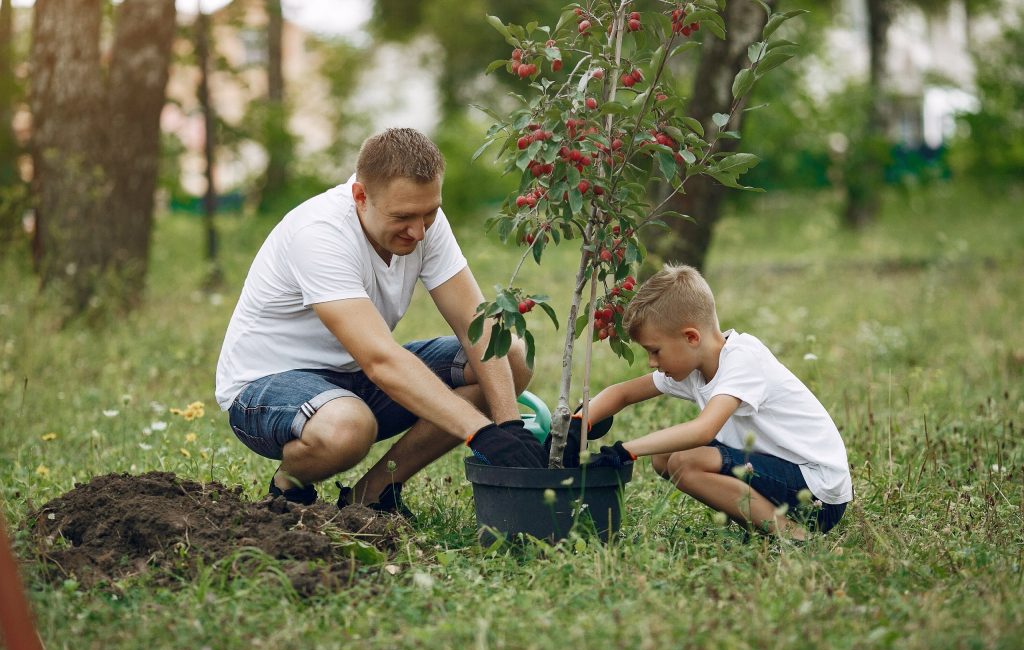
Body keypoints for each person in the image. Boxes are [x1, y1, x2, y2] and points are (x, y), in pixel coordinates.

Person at [215, 128, 546, 518]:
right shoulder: (319, 234)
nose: (419, 231)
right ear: (360, 197)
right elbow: (381, 360)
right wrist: (483, 433)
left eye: (430, 213)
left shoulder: (423, 222)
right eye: (403, 217)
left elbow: (478, 325)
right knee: (348, 428)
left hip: (355, 379)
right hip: (267, 386)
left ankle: (372, 494)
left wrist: (509, 428)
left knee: (508, 356)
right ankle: (289, 487)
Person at [577, 264, 852, 539]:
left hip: (817, 494)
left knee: (686, 462)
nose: (652, 362)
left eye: (655, 351)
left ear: (691, 337)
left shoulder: (743, 360)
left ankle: (795, 538)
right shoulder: (695, 362)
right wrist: (578, 421)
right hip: (779, 471)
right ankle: (761, 529)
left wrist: (626, 450)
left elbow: (703, 430)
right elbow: (622, 393)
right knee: (664, 457)